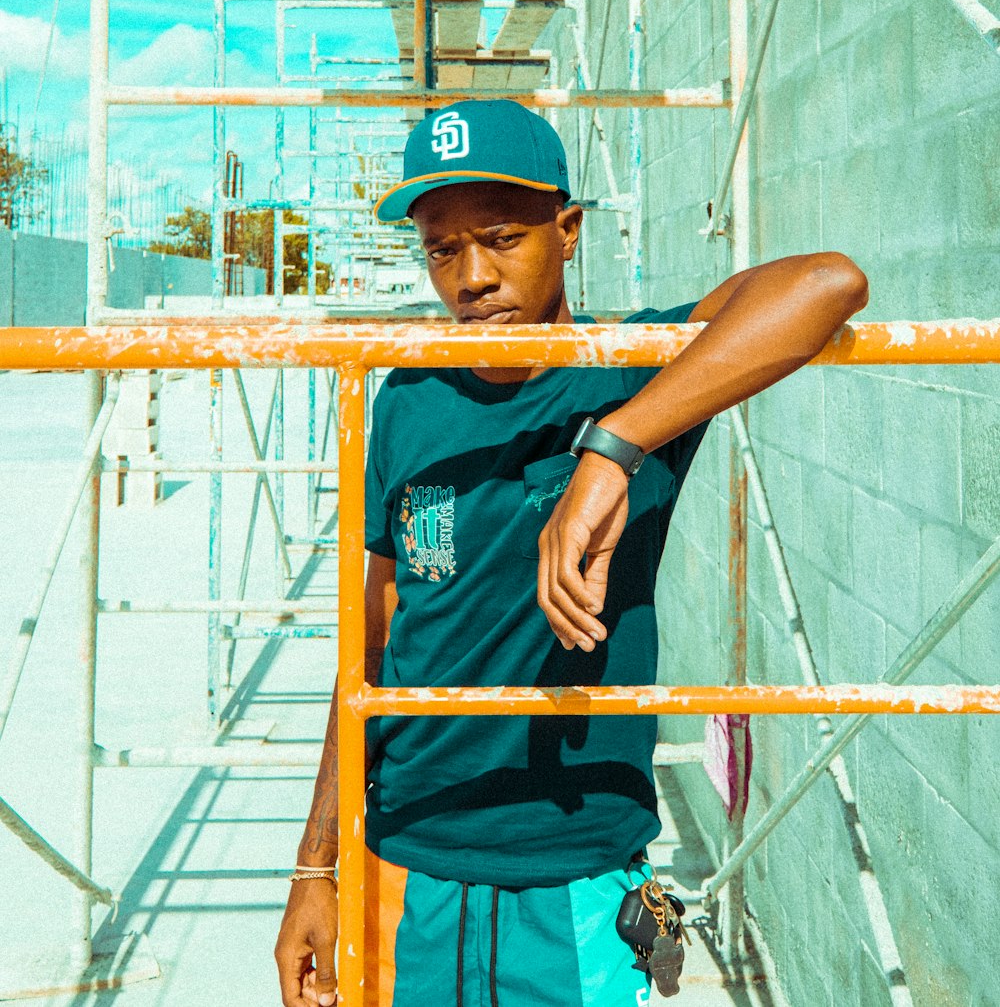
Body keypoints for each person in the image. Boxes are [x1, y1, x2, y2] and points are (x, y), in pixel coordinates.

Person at [275, 100, 868, 1007]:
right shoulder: (403, 396)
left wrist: (615, 447)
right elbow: (373, 639)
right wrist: (315, 869)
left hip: (573, 867)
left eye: (503, 237)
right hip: (404, 857)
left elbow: (826, 283)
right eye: (443, 249)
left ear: (568, 231)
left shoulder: (632, 366)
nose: (472, 276)